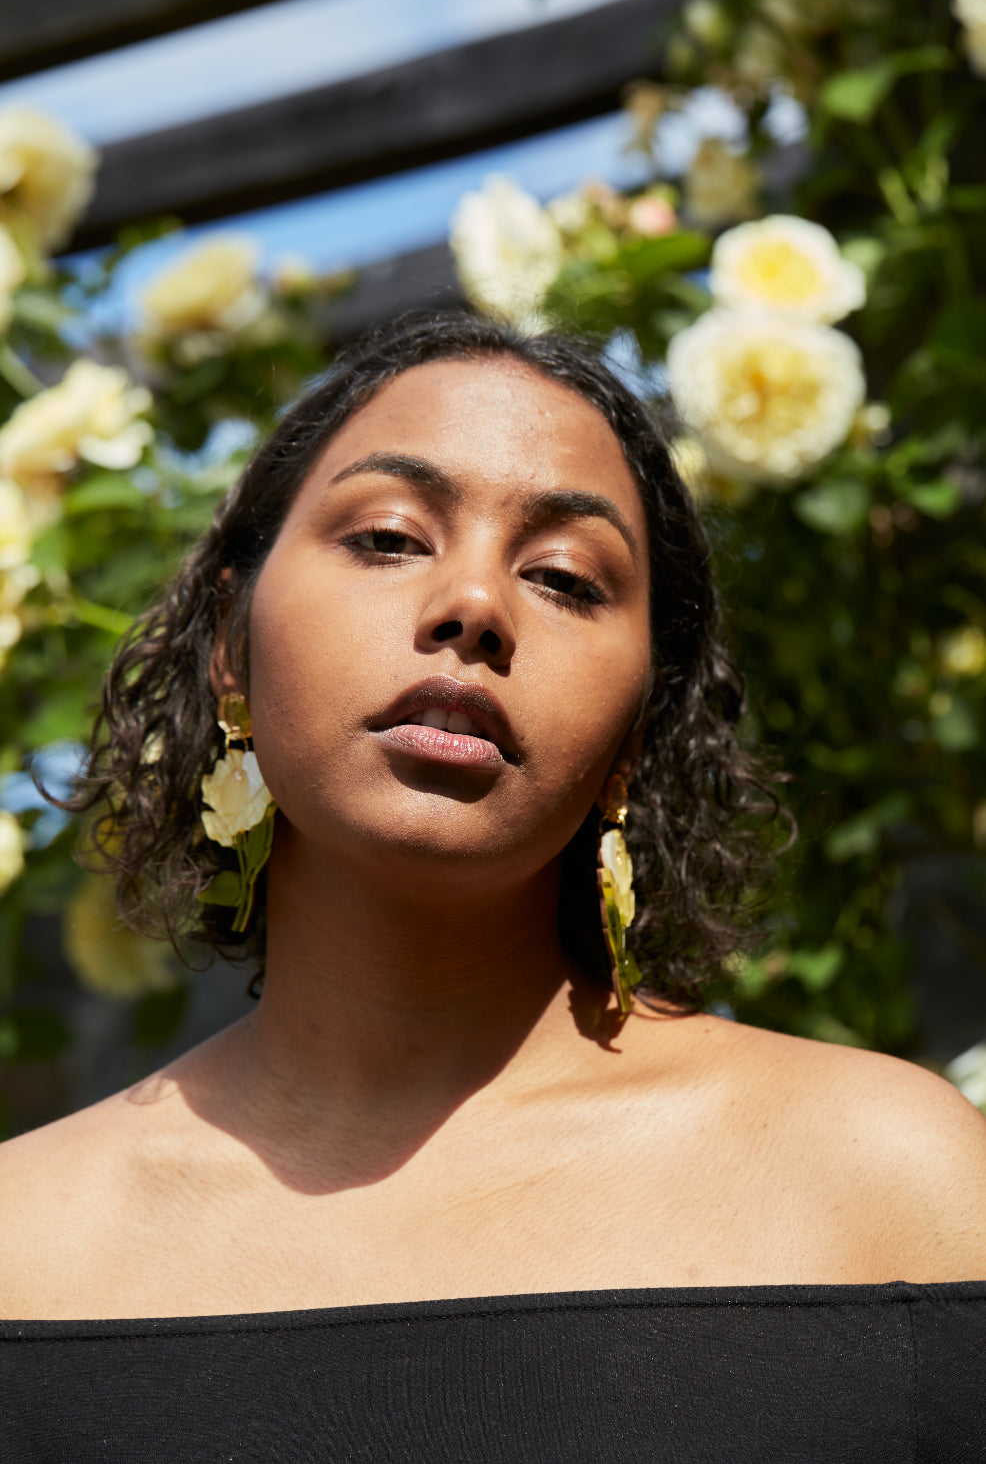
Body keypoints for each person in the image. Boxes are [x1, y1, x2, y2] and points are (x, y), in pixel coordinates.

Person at [0, 308, 983, 1461]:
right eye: (387, 536)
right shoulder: (25, 1244)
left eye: (565, 576)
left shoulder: (889, 1179)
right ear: (229, 636)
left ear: (637, 728)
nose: (474, 606)